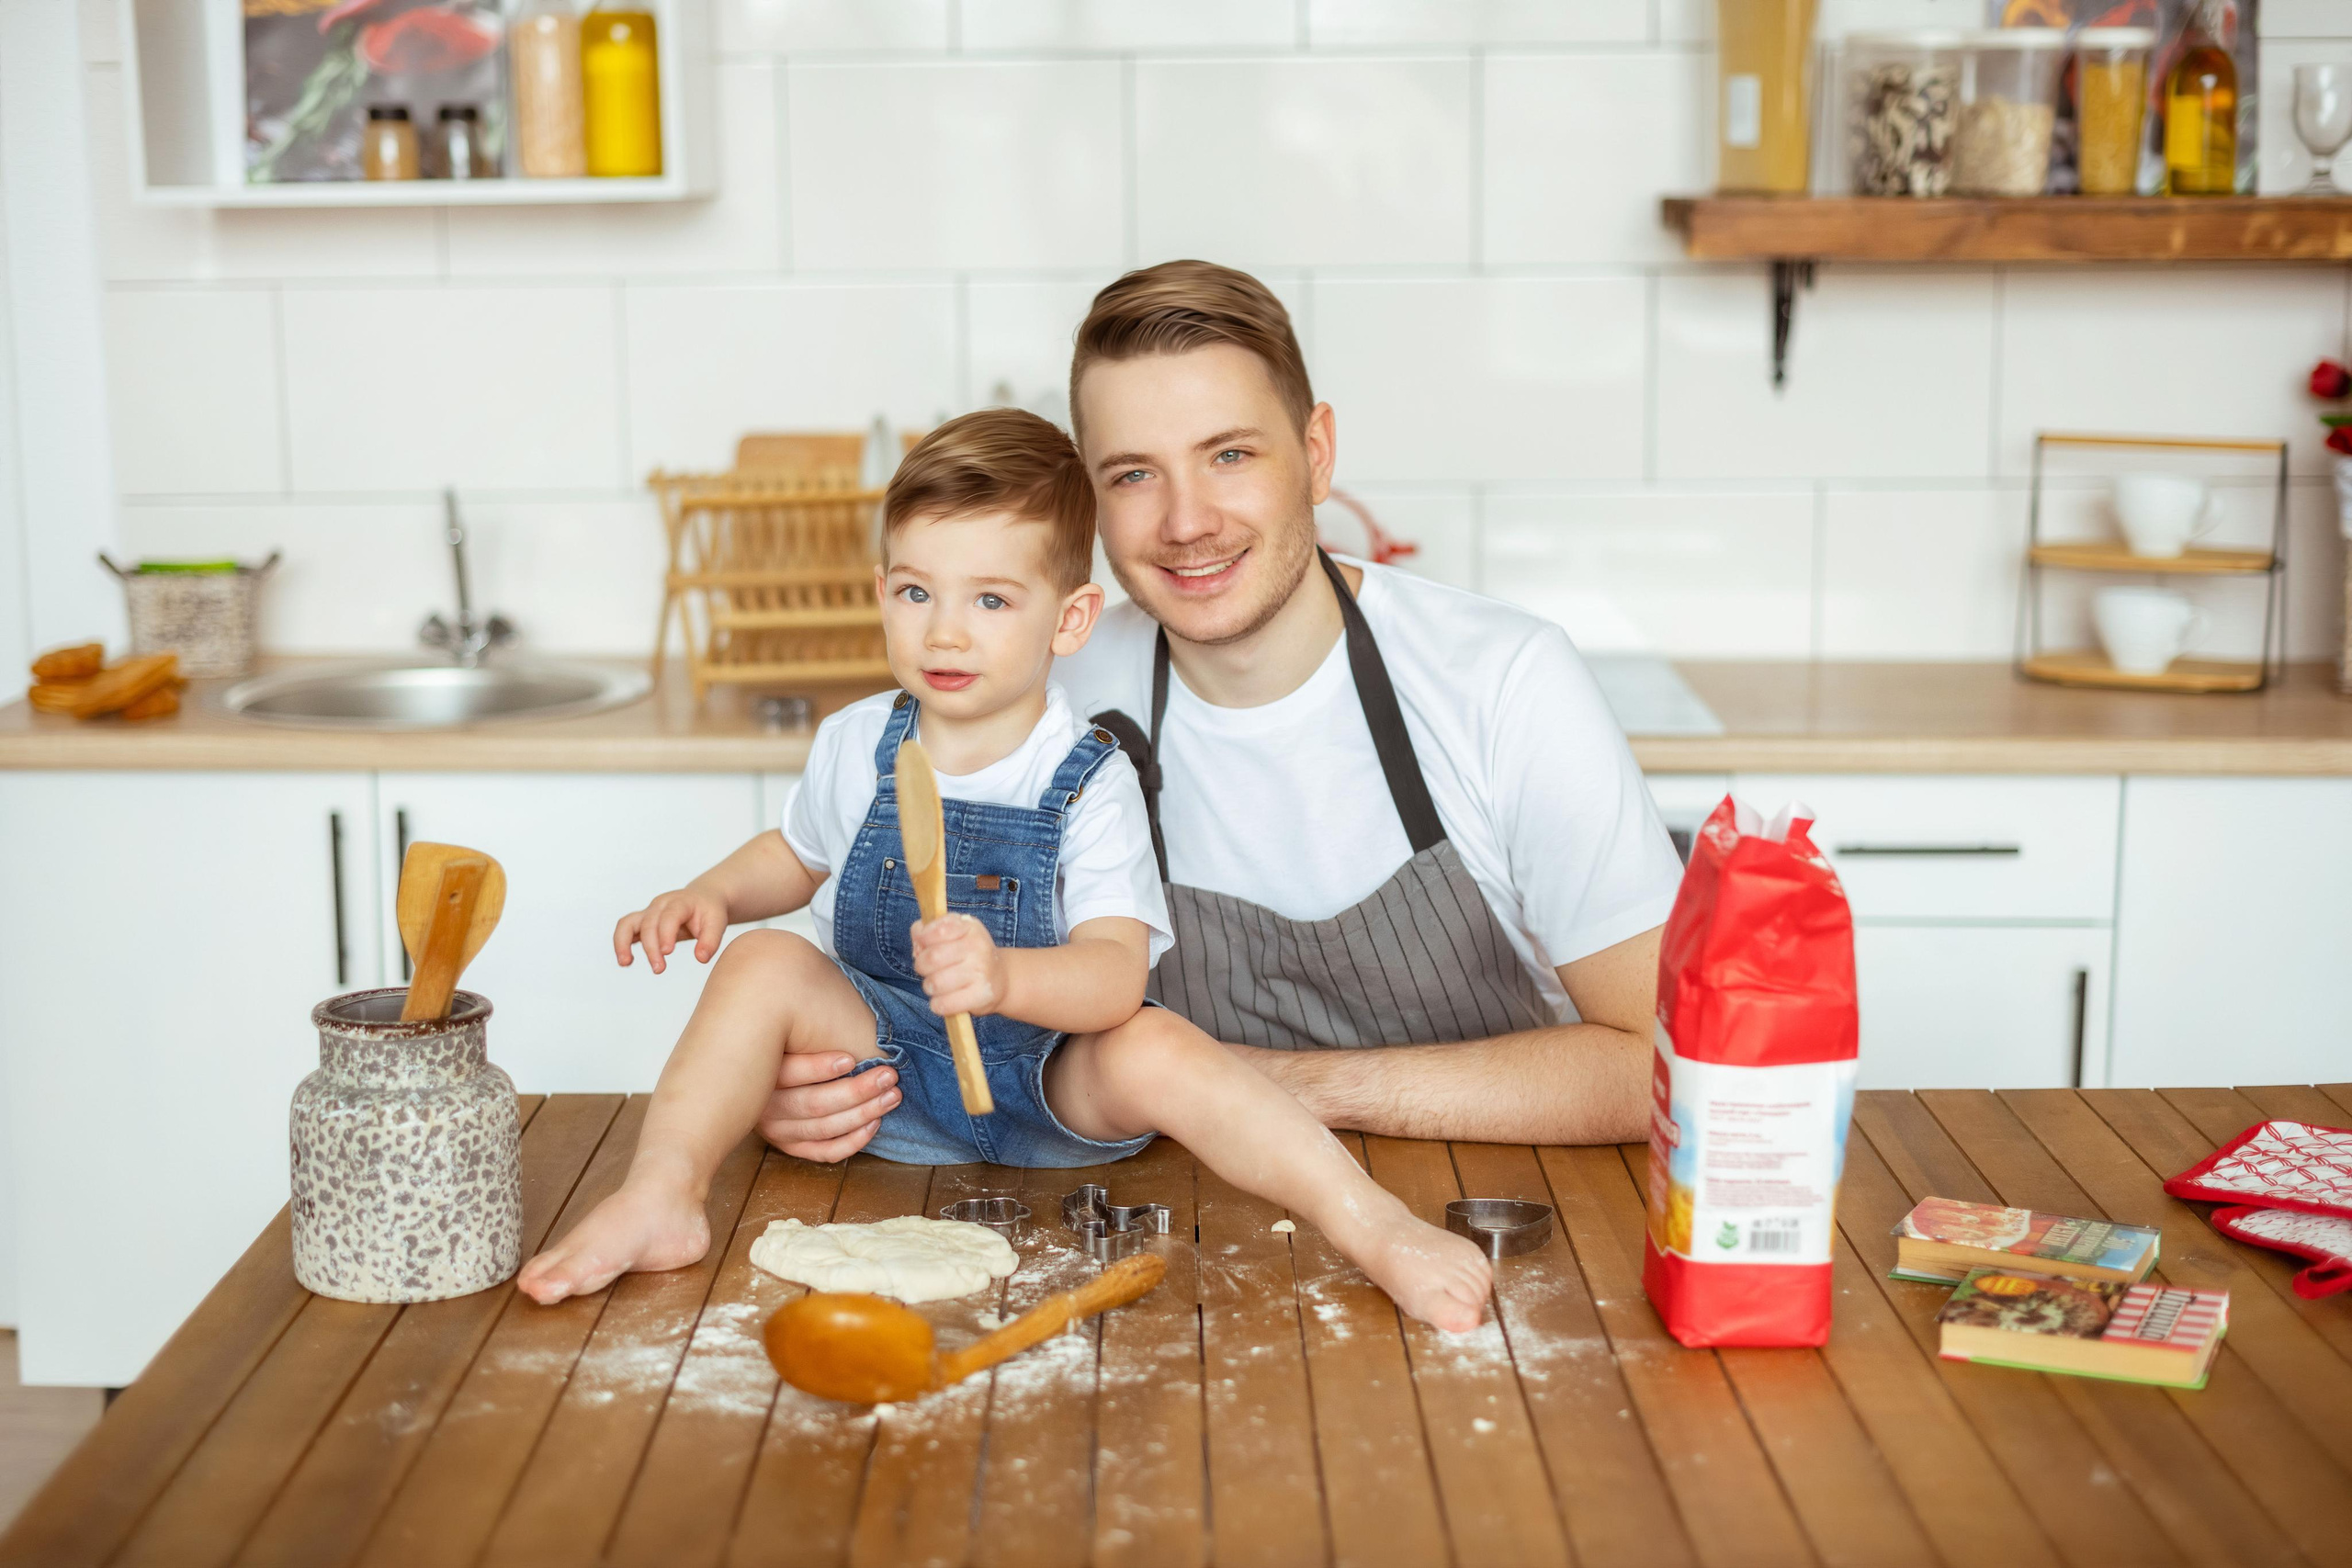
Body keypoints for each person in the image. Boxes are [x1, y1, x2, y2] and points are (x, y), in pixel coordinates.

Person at [517, 407, 1496, 1331]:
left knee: (1162, 1046)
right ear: (881, 594)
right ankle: (661, 1195)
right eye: (916, 593)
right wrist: (714, 895)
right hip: (889, 1066)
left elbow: (1116, 971)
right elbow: (798, 853)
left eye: (990, 599)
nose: (945, 631)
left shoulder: (1084, 780)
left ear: (1069, 622)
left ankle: (1370, 1223)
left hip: (1047, 1081)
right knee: (759, 963)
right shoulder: (857, 744)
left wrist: (1005, 978)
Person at [750, 262, 1686, 1165]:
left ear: (1315, 455)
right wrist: (825, 1081)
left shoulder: (1502, 683)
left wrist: (1286, 1086)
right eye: (1132, 475)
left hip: (1504, 1214)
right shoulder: (1047, 696)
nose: (1186, 521)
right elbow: (921, 973)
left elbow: (1660, 1062)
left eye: (1229, 455)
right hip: (1170, 1214)